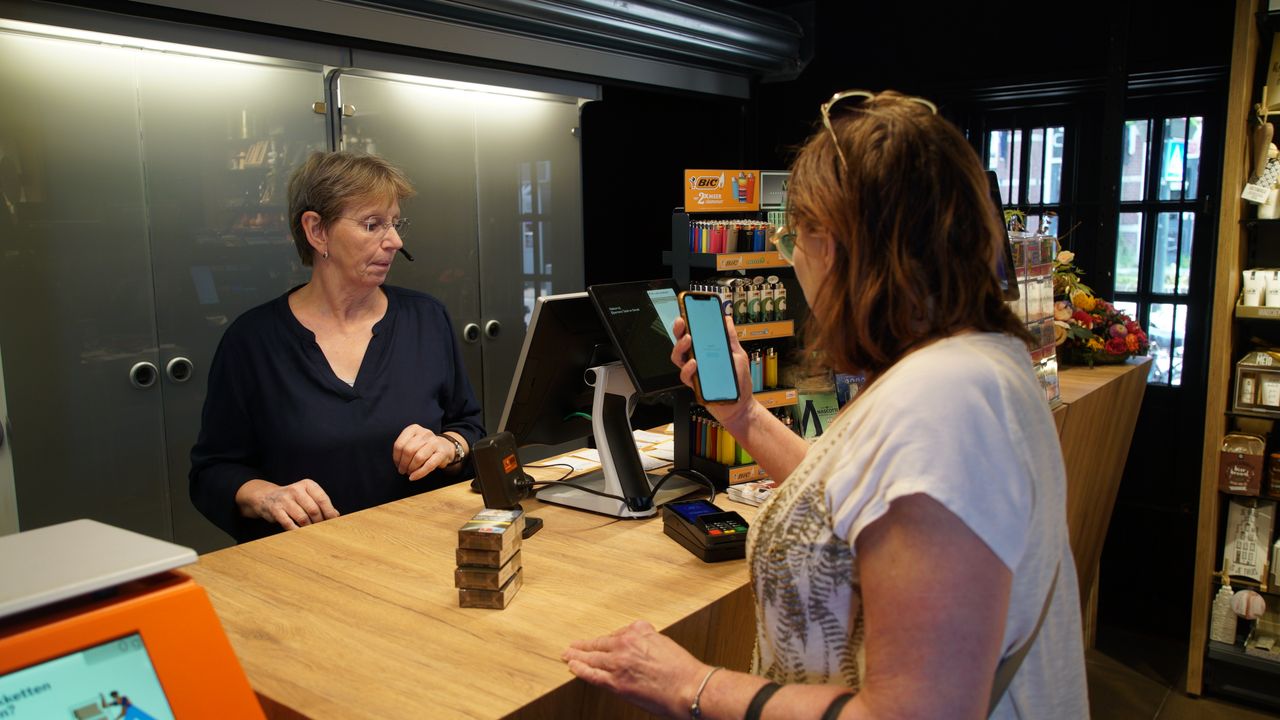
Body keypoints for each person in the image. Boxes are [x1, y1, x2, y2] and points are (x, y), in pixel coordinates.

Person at [563, 91, 1087, 719]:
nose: (791, 257)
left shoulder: (945, 402)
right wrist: (744, 417)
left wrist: (692, 684)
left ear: (835, 243)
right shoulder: (972, 364)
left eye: (792, 235)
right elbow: (857, 492)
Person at [190, 151, 484, 543]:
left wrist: (449, 448)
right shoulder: (252, 342)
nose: (395, 241)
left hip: (422, 549)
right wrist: (265, 495)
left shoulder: (427, 319)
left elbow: (469, 426)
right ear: (316, 231)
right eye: (372, 224)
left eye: (396, 224)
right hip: (308, 565)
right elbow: (212, 472)